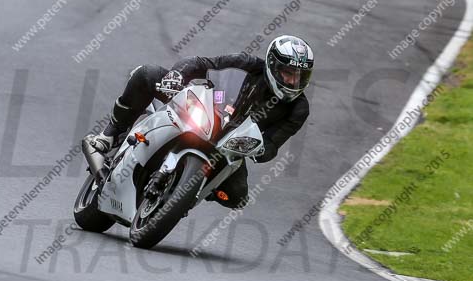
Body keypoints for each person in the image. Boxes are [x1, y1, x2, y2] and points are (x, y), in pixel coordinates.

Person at [84, 35, 313, 210]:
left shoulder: (299, 109)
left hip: (230, 144)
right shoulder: (247, 64)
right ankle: (109, 135)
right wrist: (177, 76)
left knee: (237, 197)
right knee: (147, 74)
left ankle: (187, 190)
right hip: (205, 110)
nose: (293, 81)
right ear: (272, 66)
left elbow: (274, 143)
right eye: (288, 73)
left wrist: (260, 149)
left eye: (300, 76)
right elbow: (202, 62)